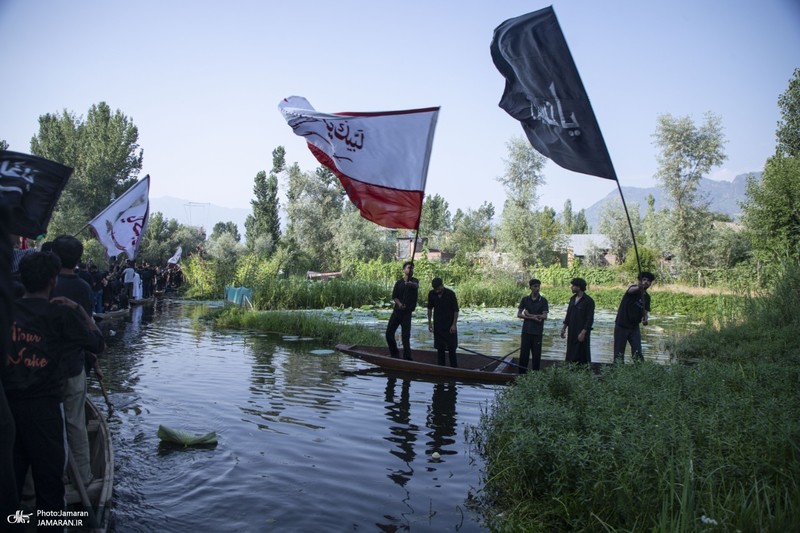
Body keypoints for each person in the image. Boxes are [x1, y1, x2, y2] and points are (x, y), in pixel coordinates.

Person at [1, 252, 104, 521]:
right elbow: (97, 343)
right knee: (50, 488)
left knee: (10, 484)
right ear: (52, 281)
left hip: (7, 411)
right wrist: (79, 310)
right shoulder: (60, 314)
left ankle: (16, 522)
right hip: (45, 412)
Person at [51, 235, 97, 486]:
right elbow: (88, 329)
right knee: (76, 423)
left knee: (45, 426)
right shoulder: (83, 288)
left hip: (42, 368)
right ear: (78, 259)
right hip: (73, 365)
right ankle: (84, 475)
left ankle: (38, 484)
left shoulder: (46, 283)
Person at [613, 271, 655, 363]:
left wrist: (645, 319)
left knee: (637, 352)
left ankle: (638, 371)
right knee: (619, 353)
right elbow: (632, 290)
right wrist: (640, 287)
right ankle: (617, 372)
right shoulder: (633, 289)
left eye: (648, 281)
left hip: (634, 328)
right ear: (639, 281)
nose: (646, 282)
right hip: (621, 325)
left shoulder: (647, 298)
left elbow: (645, 313)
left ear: (651, 283)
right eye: (644, 280)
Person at [385, 261, 419, 360]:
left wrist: (410, 284)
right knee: (389, 334)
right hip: (397, 312)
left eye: (412, 268)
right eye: (408, 268)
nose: (410, 269)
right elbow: (394, 296)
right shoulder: (399, 283)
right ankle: (394, 353)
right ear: (404, 270)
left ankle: (407, 358)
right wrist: (399, 304)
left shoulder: (415, 281)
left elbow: (416, 286)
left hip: (407, 313)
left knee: (405, 337)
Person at [517, 278, 549, 373]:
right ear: (530, 287)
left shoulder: (543, 301)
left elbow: (544, 316)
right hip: (526, 331)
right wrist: (532, 318)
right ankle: (521, 374)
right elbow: (519, 314)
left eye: (538, 286)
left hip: (537, 332)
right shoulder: (525, 299)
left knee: (536, 355)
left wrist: (529, 314)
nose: (537, 288)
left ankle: (535, 374)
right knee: (524, 355)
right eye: (535, 286)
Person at [560, 277, 595, 365]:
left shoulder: (588, 301)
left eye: (573, 286)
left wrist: (583, 332)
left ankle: (583, 371)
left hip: (582, 330)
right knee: (570, 350)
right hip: (572, 329)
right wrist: (564, 328)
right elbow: (568, 315)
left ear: (579, 287)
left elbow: (590, 319)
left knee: (582, 352)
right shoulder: (572, 299)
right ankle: (569, 369)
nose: (571, 287)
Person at [426, 277, 459, 367]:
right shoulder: (431, 294)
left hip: (449, 325)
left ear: (442, 285)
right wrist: (430, 323)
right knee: (440, 349)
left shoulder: (450, 294)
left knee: (452, 349)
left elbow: (456, 310)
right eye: (435, 289)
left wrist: (454, 325)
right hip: (438, 325)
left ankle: (454, 369)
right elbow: (429, 309)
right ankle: (441, 368)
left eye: (439, 288)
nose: (437, 291)